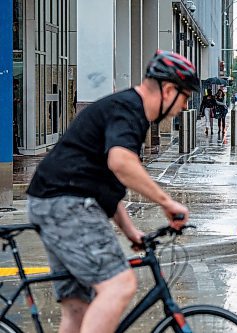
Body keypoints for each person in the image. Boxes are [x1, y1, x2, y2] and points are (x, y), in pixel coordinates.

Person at [26, 50, 199, 333]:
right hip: (66, 203)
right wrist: (166, 203)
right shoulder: (129, 109)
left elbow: (103, 183)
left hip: (53, 201)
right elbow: (121, 163)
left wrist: (131, 232)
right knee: (120, 283)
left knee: (78, 308)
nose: (184, 106)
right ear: (168, 90)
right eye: (185, 97)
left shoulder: (126, 109)